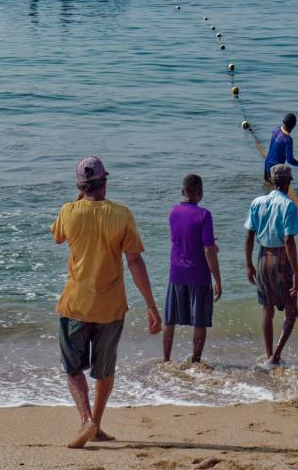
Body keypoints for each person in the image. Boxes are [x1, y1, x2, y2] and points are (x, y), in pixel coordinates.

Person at [51, 156, 161, 447]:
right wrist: (151, 305)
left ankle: (86, 420)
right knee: (105, 370)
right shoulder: (122, 214)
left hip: (75, 304)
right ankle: (96, 425)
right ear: (105, 182)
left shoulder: (68, 212)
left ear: (80, 185)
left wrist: (79, 198)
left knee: (73, 368)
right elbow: (135, 261)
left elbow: (58, 237)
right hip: (111, 307)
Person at [245, 164, 298, 367]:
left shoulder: (257, 202)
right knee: (292, 311)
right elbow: (289, 241)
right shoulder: (289, 205)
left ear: (271, 181)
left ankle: (269, 354)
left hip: (262, 256)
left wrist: (249, 264)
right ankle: (275, 356)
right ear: (289, 182)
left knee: (266, 309)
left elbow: (249, 235)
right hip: (281, 259)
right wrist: (296, 272)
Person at [162, 174, 220, 364]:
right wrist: (217, 279)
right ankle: (195, 361)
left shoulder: (173, 212)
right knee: (199, 321)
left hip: (176, 272)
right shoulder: (204, 215)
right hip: (198, 275)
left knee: (170, 320)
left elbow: (183, 239)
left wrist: (209, 244)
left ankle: (166, 359)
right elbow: (208, 250)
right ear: (200, 192)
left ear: (182, 191)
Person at [262, 113, 298, 184]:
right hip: (275, 170)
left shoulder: (276, 130)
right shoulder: (288, 139)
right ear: (294, 125)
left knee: (267, 187)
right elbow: (290, 160)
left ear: (283, 121)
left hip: (267, 165)